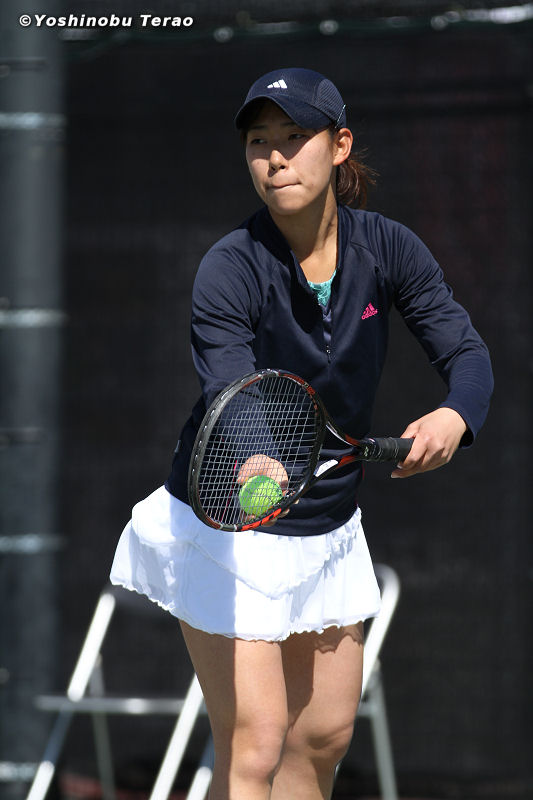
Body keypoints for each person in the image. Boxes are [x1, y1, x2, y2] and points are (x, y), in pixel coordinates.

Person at [110, 68, 493, 800]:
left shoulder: (389, 248)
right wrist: (257, 455)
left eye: (294, 136)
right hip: (232, 524)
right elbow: (230, 384)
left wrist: (454, 415)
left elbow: (466, 354)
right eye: (260, 142)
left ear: (339, 146)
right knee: (254, 743)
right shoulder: (229, 266)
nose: (276, 158)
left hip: (328, 522)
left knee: (321, 739)